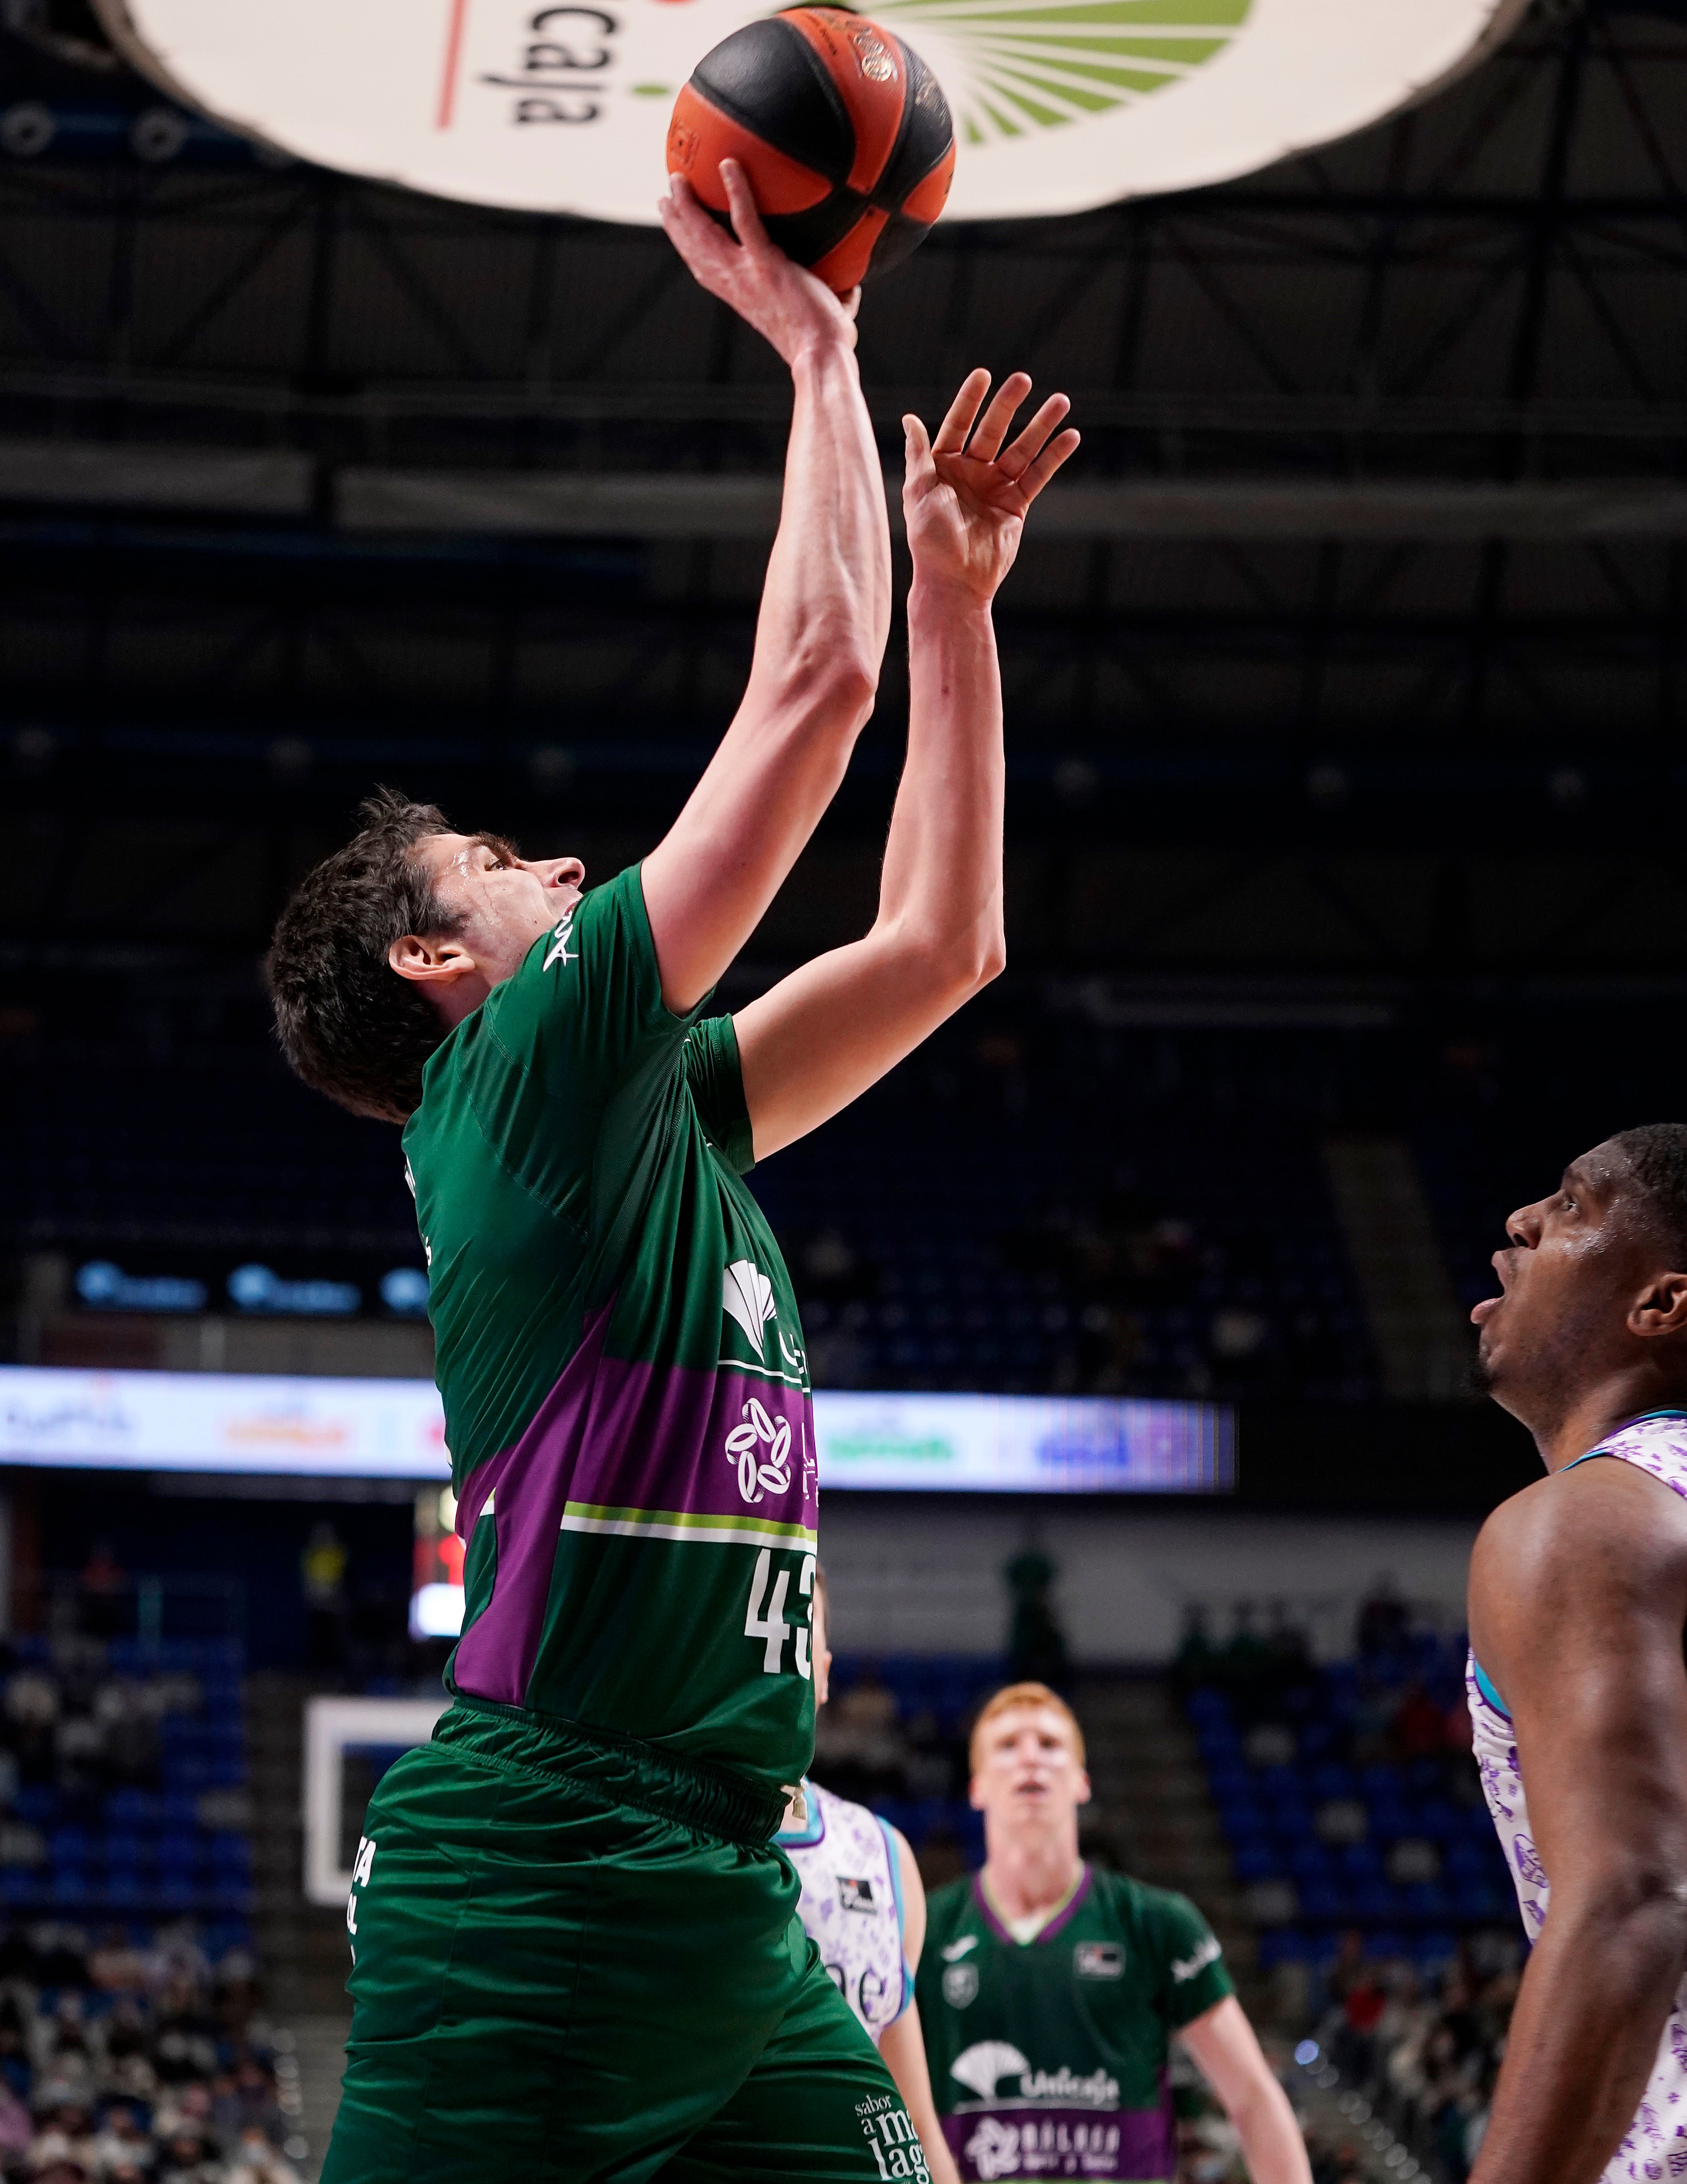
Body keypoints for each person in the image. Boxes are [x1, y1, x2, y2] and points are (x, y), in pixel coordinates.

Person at [265, 152, 1078, 2184]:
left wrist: (962, 609)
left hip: (717, 1873)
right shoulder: (520, 1077)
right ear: (439, 961)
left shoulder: (648, 1107)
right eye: (504, 865)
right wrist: (819, 347)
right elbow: (812, 689)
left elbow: (937, 954)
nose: (563, 863)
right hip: (542, 1877)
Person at [1464, 1123, 1687, 2184]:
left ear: (1663, 1304)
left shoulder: (1588, 1525)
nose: (1520, 1222)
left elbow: (1633, 1896)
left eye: (1573, 1205)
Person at [917, 1683, 1312, 2184]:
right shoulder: (924, 1929)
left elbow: (1252, 2098)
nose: (1031, 1758)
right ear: (976, 1786)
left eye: (1050, 1744)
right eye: (1008, 1744)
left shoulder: (1156, 1921)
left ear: (1082, 1782)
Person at [779, 1573, 961, 2184]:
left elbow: (911, 2120)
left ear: (825, 1671)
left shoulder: (882, 1853)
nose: (779, 1642)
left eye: (800, 1625)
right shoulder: (655, 1831)